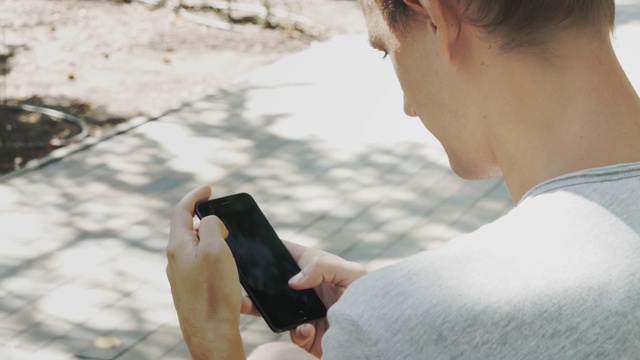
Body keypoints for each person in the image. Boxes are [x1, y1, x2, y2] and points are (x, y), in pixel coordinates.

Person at [166, 0, 640, 358]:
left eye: (385, 49)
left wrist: (213, 336)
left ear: (436, 15)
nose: (408, 106)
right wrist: (386, 310)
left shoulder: (399, 328)